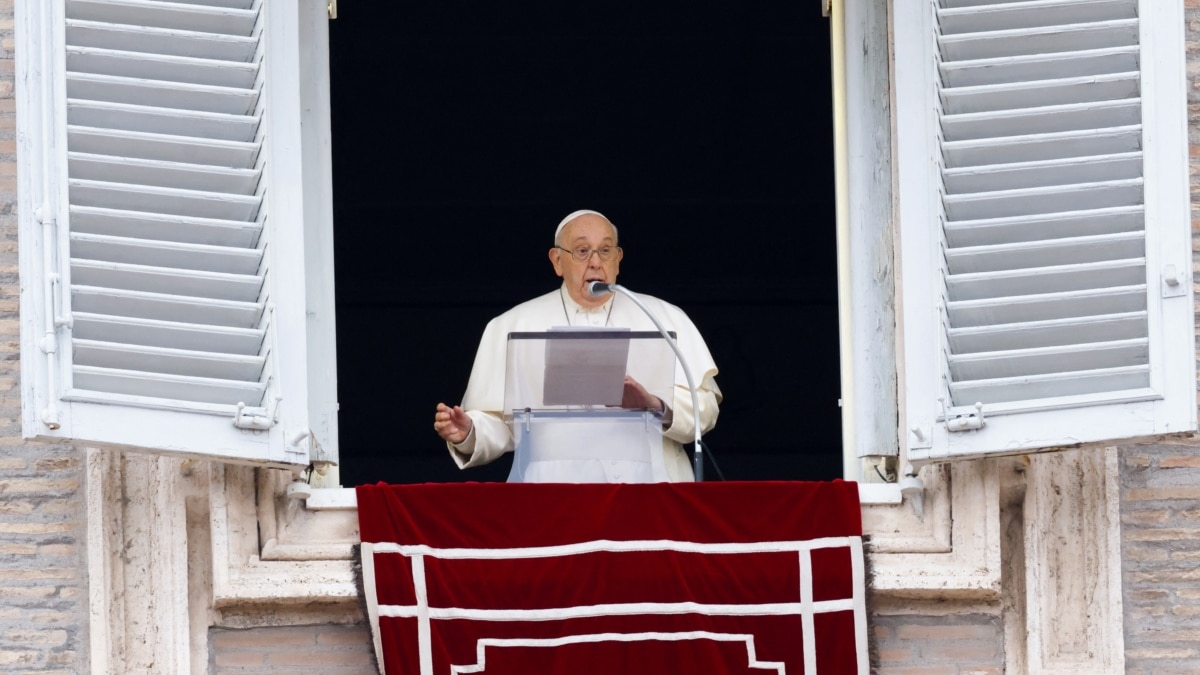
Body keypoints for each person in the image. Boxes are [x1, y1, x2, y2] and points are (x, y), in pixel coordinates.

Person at [433, 209, 721, 481]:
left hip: (652, 487)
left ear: (618, 259)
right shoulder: (514, 325)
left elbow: (704, 409)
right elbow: (500, 423)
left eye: (605, 251)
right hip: (554, 494)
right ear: (557, 261)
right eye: (582, 251)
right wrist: (470, 431)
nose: (595, 262)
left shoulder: (663, 318)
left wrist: (654, 405)